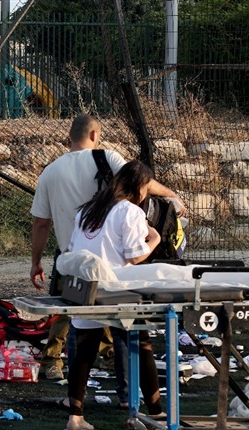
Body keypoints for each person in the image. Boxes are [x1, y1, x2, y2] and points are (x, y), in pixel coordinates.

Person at [31, 115, 183, 393]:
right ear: (93, 135)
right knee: (123, 322)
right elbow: (139, 180)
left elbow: (41, 222)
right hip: (111, 260)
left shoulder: (50, 171)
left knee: (72, 314)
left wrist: (35, 262)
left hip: (72, 257)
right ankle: (129, 389)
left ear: (70, 136)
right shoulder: (107, 159)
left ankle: (58, 370)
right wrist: (172, 196)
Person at [64, 160, 165, 430]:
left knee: (84, 351)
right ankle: (156, 412)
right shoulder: (130, 211)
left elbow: (75, 248)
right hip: (118, 290)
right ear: (140, 188)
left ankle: (75, 417)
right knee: (141, 346)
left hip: (86, 288)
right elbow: (134, 256)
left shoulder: (87, 210)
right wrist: (153, 239)